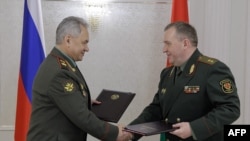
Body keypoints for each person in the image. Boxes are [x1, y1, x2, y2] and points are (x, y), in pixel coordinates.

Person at [127, 22, 240, 141]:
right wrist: (131, 132)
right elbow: (156, 109)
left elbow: (230, 109)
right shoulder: (167, 74)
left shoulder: (212, 69)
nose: (164, 50)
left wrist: (193, 129)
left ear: (185, 43)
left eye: (168, 44)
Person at [27, 16, 132, 141]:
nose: (87, 48)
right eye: (84, 42)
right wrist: (115, 133)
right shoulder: (59, 72)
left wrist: (83, 99)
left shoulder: (61, 64)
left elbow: (66, 102)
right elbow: (81, 116)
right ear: (68, 40)